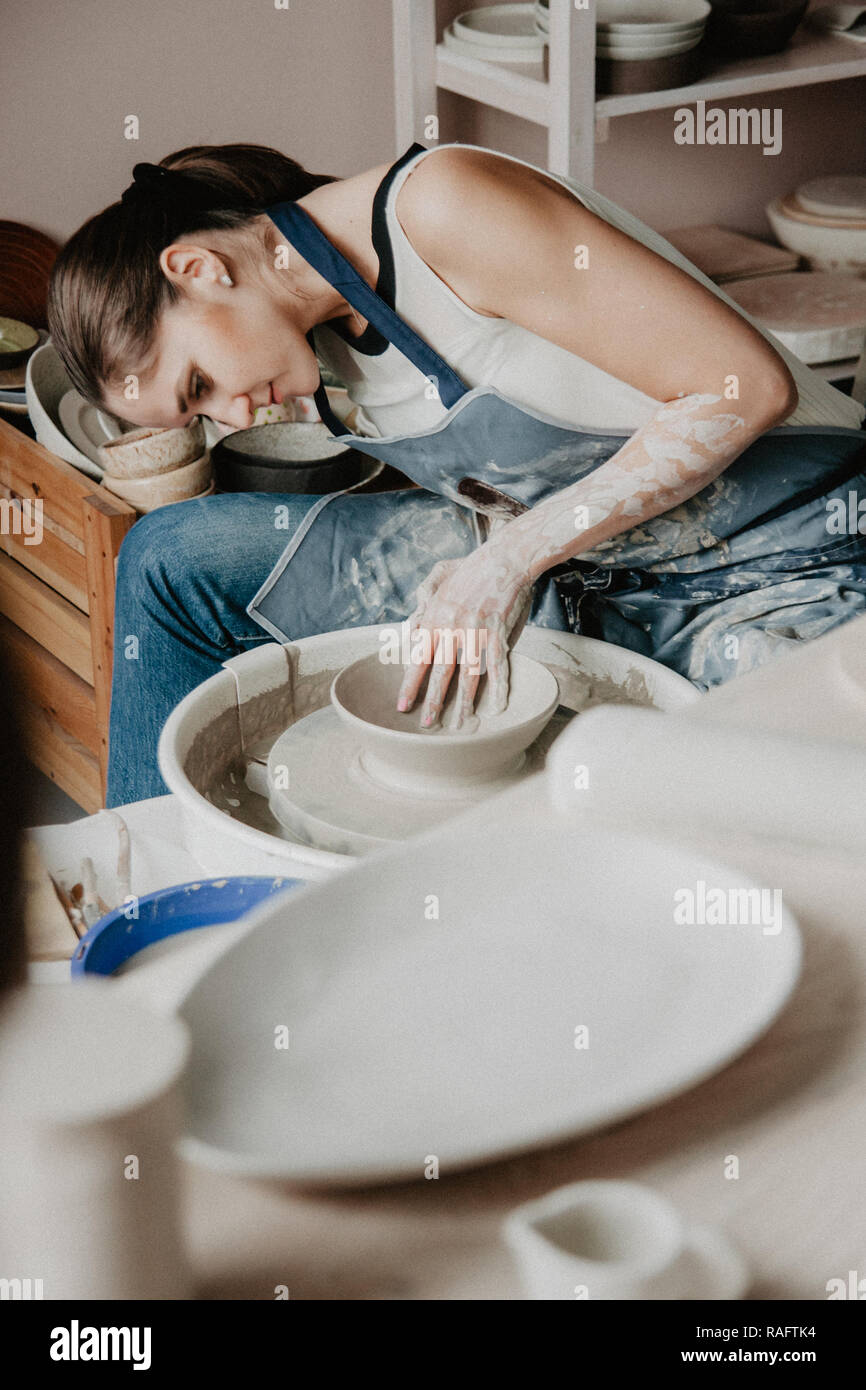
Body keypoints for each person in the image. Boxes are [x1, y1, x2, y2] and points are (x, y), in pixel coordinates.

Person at [47, 141, 866, 807]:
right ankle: (153, 889)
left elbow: (742, 386)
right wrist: (487, 558)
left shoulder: (444, 207)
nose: (229, 417)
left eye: (199, 385)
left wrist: (507, 563)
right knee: (171, 555)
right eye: (199, 414)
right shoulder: (317, 336)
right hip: (592, 570)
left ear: (197, 269)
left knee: (755, 797)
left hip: (788, 547)